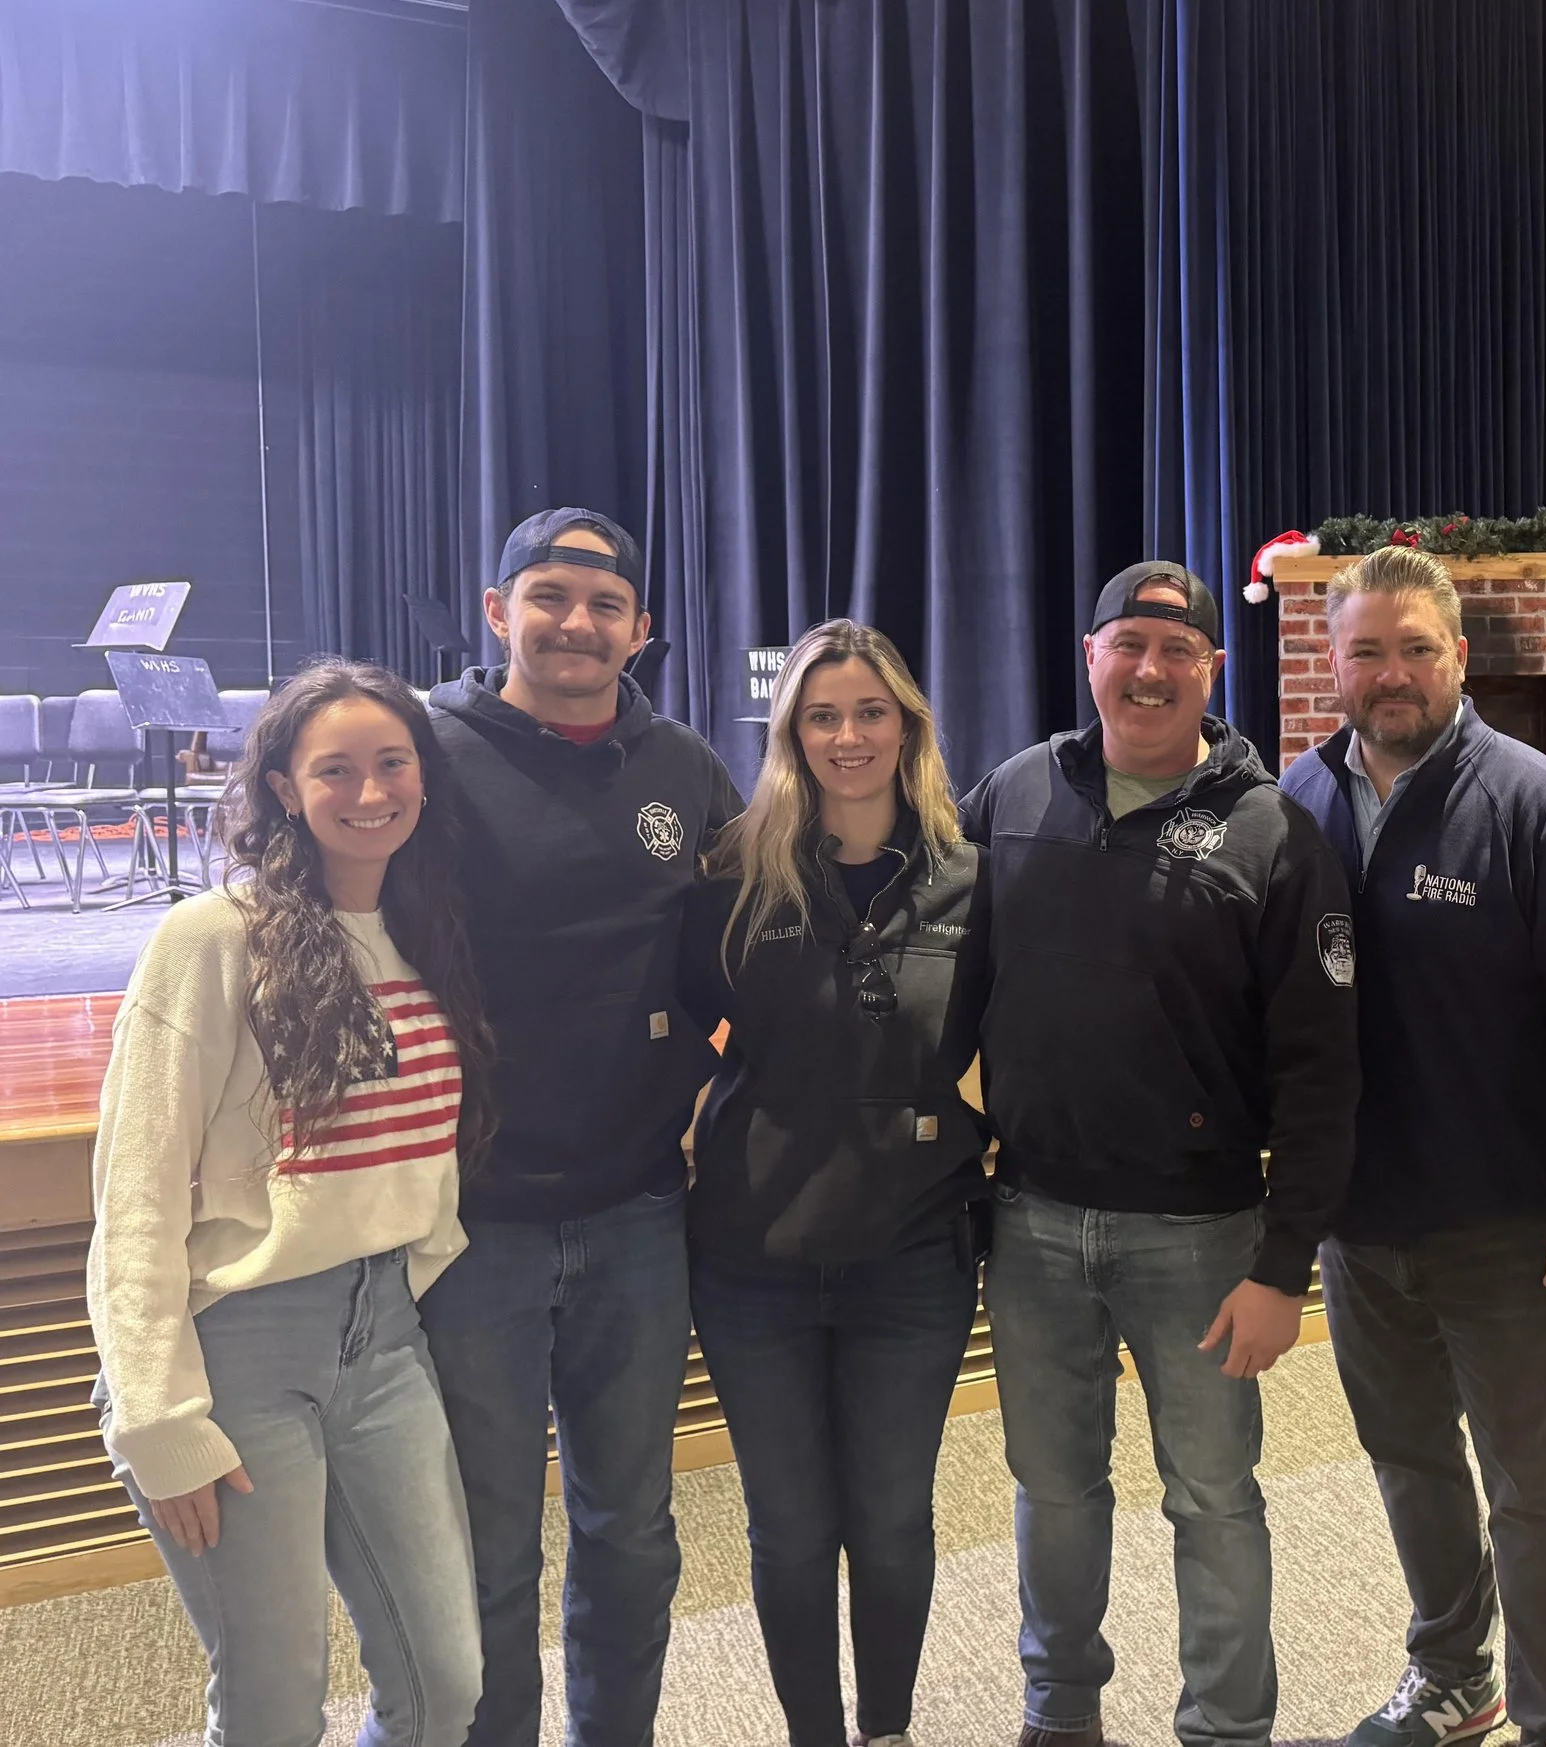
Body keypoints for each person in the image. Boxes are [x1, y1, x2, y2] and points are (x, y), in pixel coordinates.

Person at [961, 560, 1361, 1747]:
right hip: (1030, 1223)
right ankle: (1060, 1711)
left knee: (1214, 1499)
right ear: (1089, 658)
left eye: (1175, 651)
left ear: (1211, 671)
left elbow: (1324, 1071)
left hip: (1201, 1238)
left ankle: (1227, 1728)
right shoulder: (1013, 794)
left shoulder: (1273, 831)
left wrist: (1284, 1265)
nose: (1148, 669)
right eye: (1126, 644)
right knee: (1053, 1491)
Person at [1277, 545, 1546, 1747]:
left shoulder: (1537, 805)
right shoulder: (1300, 800)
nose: (1391, 675)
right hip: (1359, 1221)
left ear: (1457, 658)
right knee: (1407, 1462)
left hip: (1509, 1230)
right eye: (1366, 651)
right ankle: (1454, 1678)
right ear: (1330, 662)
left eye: (1416, 650)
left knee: (1533, 1486)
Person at [86, 660, 495, 1747]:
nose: (371, 793)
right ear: (281, 788)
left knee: (444, 1684)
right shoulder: (212, 940)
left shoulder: (424, 932)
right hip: (238, 1357)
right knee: (273, 1707)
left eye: (392, 764)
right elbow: (133, 1197)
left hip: (385, 1340)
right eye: (337, 771)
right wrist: (159, 1419)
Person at [419, 508, 743, 1746]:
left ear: (641, 631)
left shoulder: (683, 768)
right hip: (473, 1226)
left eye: (606, 605)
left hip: (635, 1215)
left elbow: (741, 955)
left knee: (631, 1532)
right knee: (486, 1544)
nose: (576, 622)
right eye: (548, 595)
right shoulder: (428, 753)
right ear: (497, 611)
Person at [678, 619, 989, 1747]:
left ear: (906, 724)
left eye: (869, 712)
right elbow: (664, 1026)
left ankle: (888, 1731)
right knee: (790, 1531)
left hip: (911, 1255)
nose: (847, 736)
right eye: (822, 715)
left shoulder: (969, 876)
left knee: (895, 1523)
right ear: (791, 732)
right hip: (750, 1259)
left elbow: (1016, 1036)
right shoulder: (731, 871)